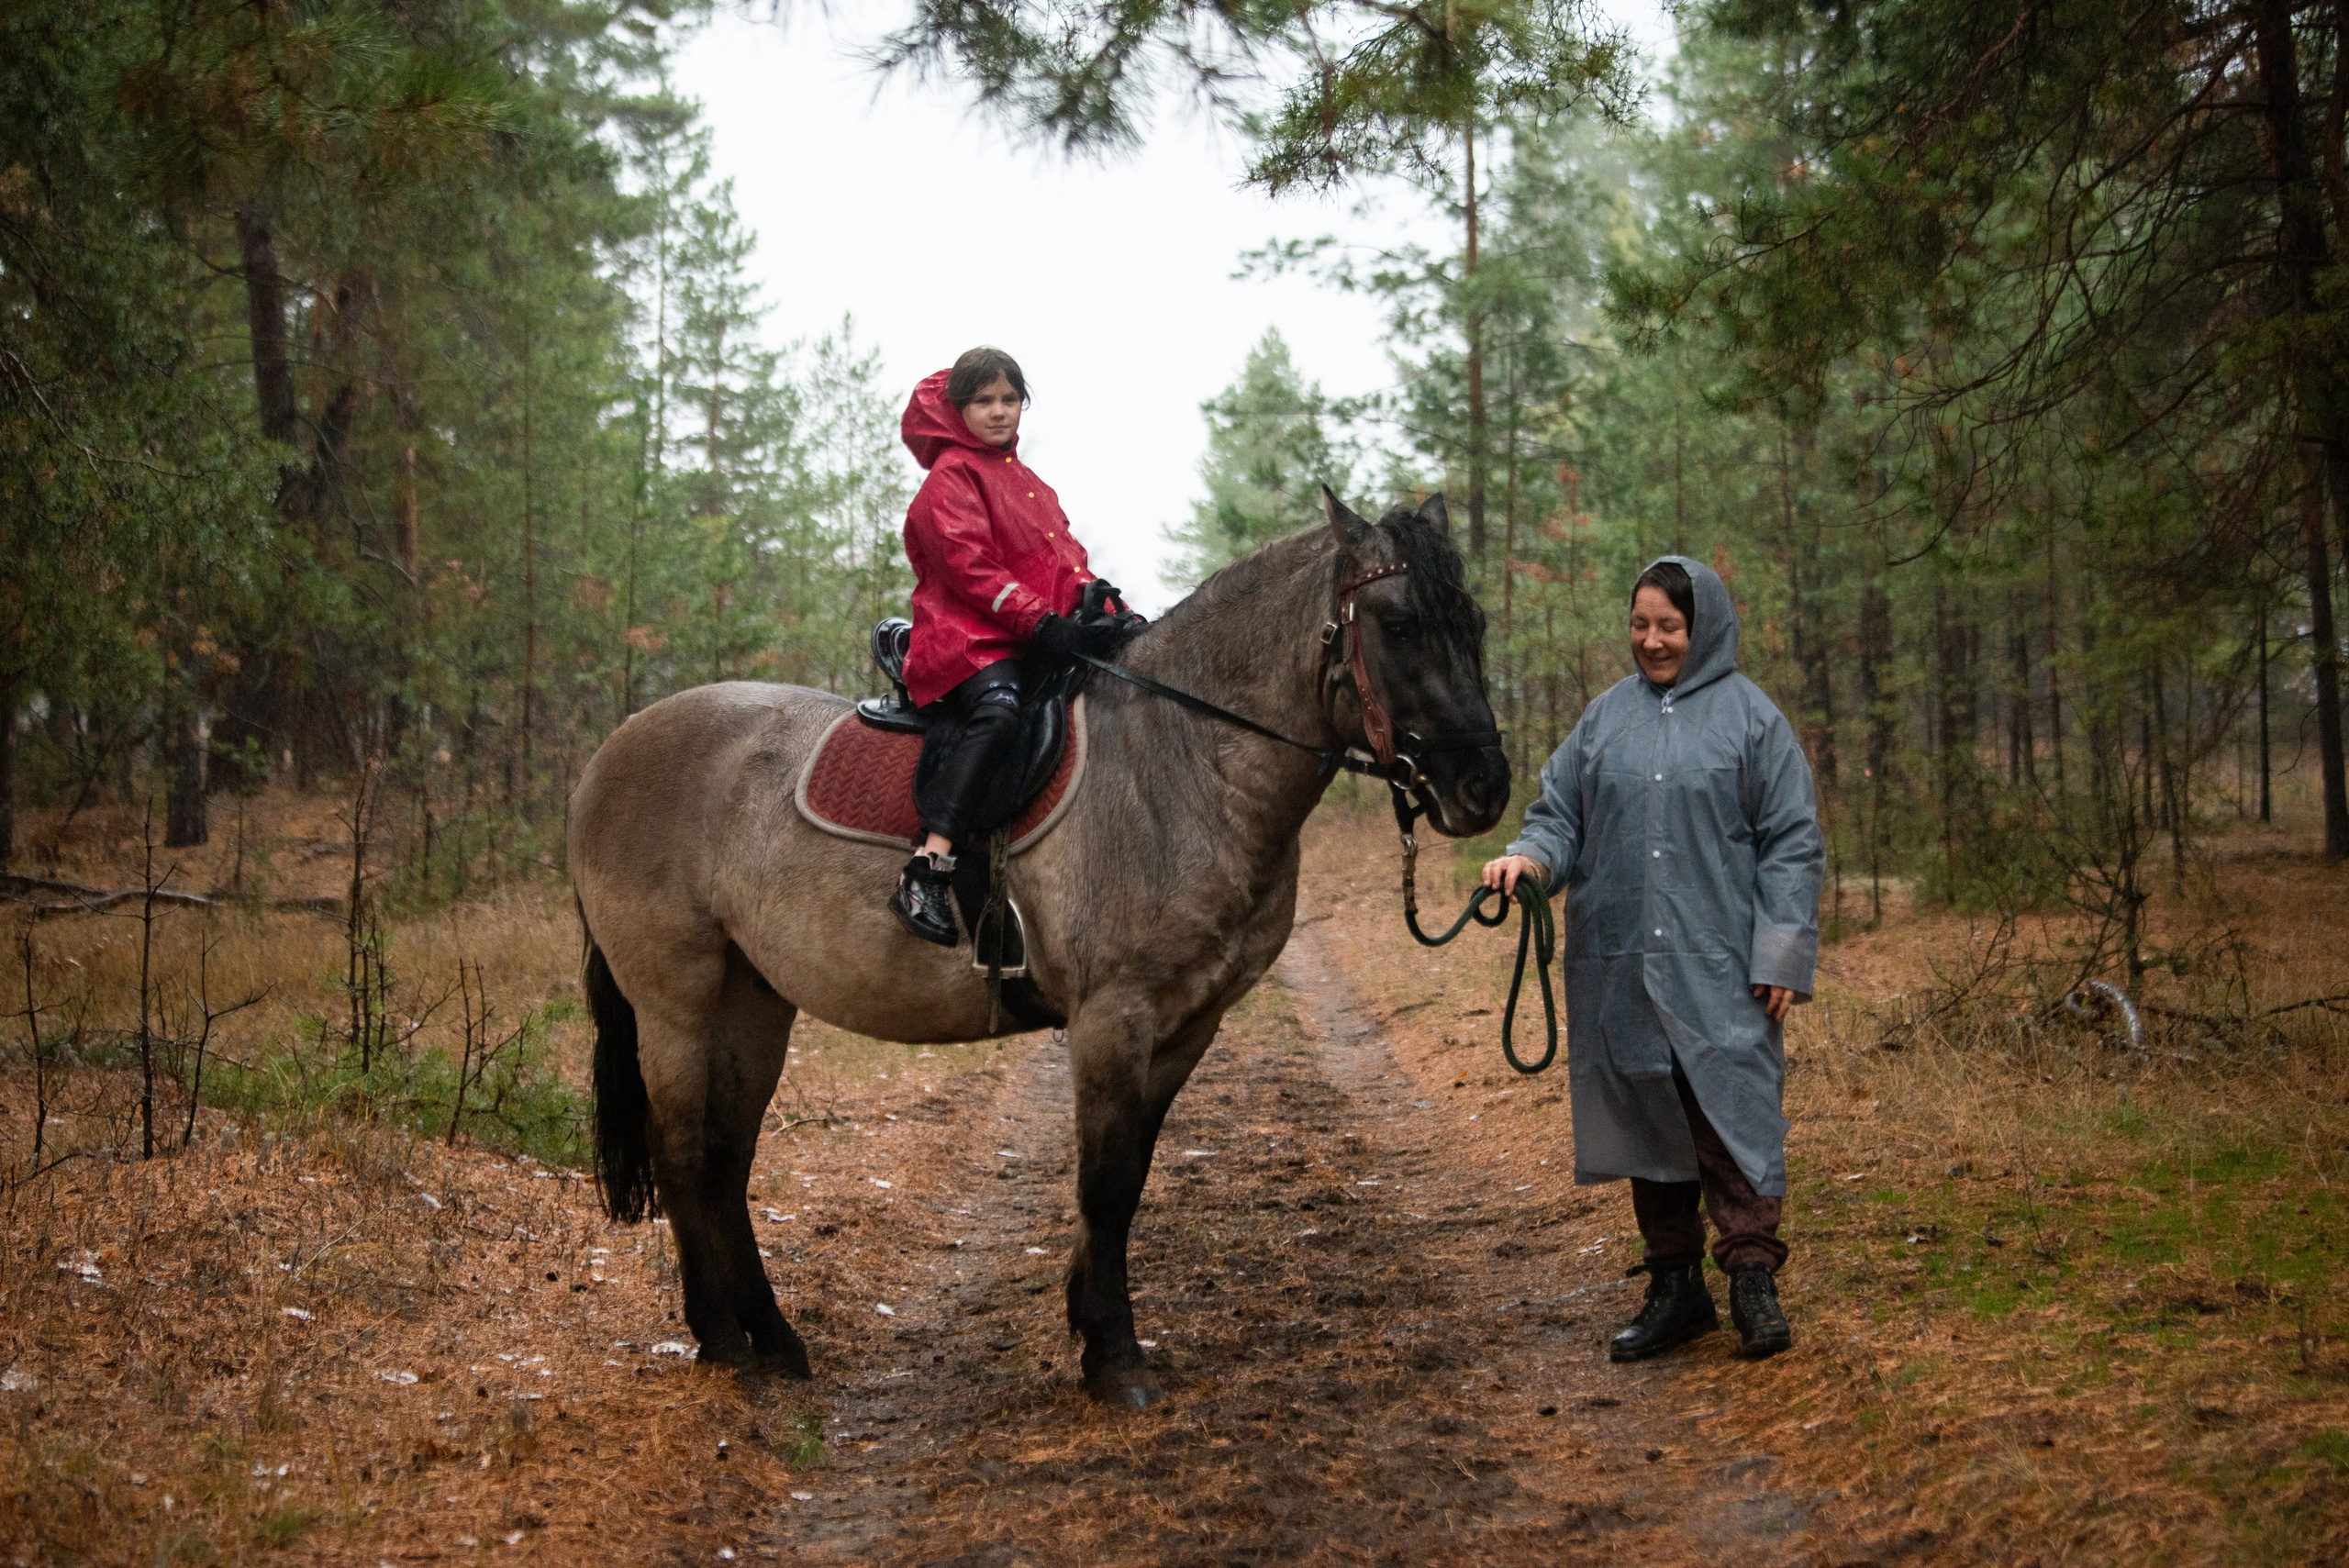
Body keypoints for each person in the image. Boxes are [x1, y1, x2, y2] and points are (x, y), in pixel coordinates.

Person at [1482, 557, 1822, 1362]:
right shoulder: (1604, 720)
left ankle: (1752, 1279)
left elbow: (1792, 841)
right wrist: (1530, 858)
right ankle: (1676, 1287)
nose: (1653, 640)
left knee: (1732, 1117)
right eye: (1640, 624)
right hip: (1624, 965)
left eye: (1669, 625)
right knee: (1651, 1121)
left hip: (1723, 968)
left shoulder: (1753, 720)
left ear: (1704, 627)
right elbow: (1560, 814)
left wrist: (1781, 952)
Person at [890, 347, 1128, 945]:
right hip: (964, 637)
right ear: (959, 409)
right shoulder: (949, 479)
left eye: (1009, 399)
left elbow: (1064, 563)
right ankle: (928, 864)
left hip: (1027, 635)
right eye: (983, 401)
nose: (999, 411)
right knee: (999, 713)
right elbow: (970, 569)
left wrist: (1107, 610)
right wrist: (1042, 623)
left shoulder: (1030, 484)